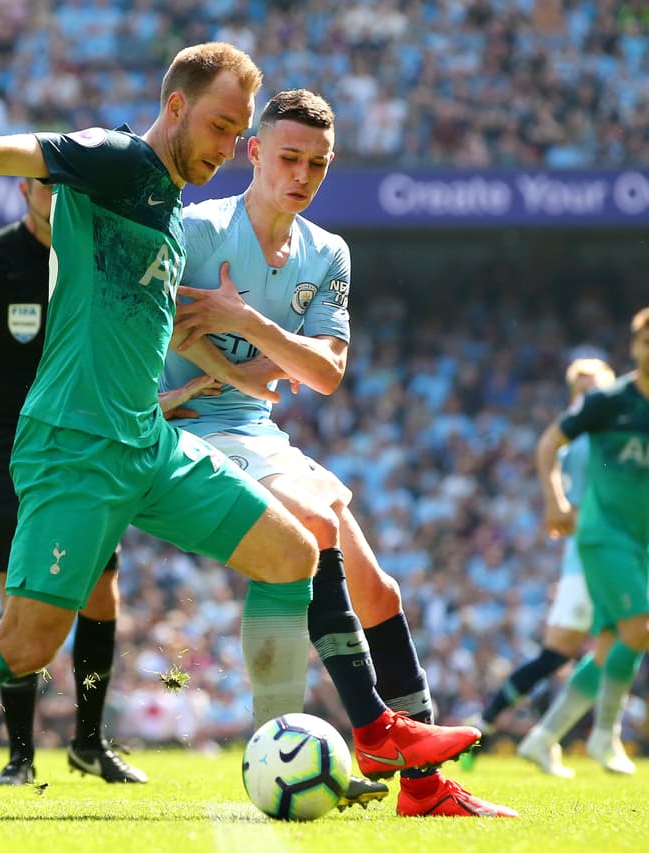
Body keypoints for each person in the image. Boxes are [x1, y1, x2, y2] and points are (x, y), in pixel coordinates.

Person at [0, 42, 470, 821]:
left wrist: (227, 377)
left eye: (238, 133)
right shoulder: (117, 160)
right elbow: (17, 149)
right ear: (176, 106)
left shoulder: (171, 209)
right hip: (75, 445)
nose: (229, 148)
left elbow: (157, 327)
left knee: (293, 553)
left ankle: (282, 752)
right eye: (221, 127)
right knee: (26, 643)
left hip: (149, 444)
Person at [162, 89, 513, 818]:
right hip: (188, 428)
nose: (302, 175)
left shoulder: (327, 252)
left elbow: (325, 372)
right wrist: (184, 382)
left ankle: (425, 789)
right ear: (254, 152)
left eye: (317, 164)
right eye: (288, 158)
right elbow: (153, 326)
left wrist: (241, 321)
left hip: (256, 430)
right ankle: (375, 730)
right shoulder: (196, 229)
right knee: (316, 523)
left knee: (380, 589)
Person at [0, 177, 155, 785]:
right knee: (17, 599)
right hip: (9, 446)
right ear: (21, 188)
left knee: (101, 593)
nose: (53, 195)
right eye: (42, 184)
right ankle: (20, 756)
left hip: (86, 444)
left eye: (63, 186)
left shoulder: (95, 254)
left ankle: (89, 743)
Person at [471, 359, 649, 775]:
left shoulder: (617, 429)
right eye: (585, 390)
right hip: (595, 557)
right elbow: (558, 465)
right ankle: (524, 729)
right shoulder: (585, 439)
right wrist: (558, 505)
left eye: (600, 389)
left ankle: (561, 737)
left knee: (645, 643)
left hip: (630, 554)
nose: (594, 396)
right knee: (576, 649)